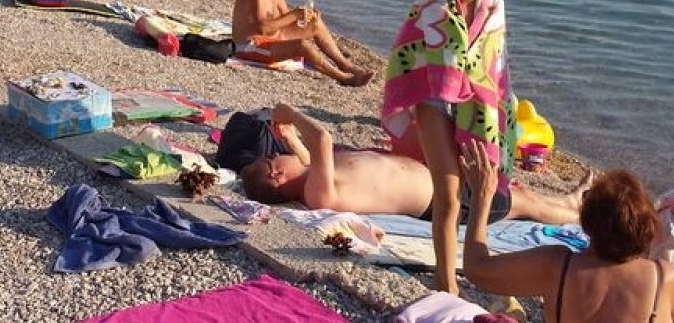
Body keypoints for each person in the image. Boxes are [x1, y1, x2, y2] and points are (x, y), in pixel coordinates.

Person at [381, 0, 516, 295]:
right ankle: (446, 280)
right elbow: (405, 47)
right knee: (448, 189)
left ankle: (478, 263)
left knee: (481, 184)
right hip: (432, 96)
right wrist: (407, 90)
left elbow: (495, 63)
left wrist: (502, 108)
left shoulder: (495, 6)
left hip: (478, 103)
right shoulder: (430, 2)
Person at [461, 155, 674, 323]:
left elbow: (476, 268)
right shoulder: (661, 276)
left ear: (586, 225)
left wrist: (482, 201)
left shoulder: (557, 265)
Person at [240, 103, 586, 224]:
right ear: (276, 174)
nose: (277, 153)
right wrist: (288, 111)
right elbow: (323, 140)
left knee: (520, 194)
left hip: (440, 178)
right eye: (273, 156)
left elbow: (309, 152)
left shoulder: (313, 175)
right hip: (443, 203)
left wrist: (289, 137)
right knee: (523, 203)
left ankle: (569, 202)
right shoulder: (318, 193)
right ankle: (578, 215)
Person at [231, 0, 372, 87]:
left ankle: (345, 65)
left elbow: (285, 19)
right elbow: (262, 28)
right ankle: (344, 78)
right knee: (303, 45)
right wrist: (295, 15)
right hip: (249, 45)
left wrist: (307, 16)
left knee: (316, 24)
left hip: (272, 38)